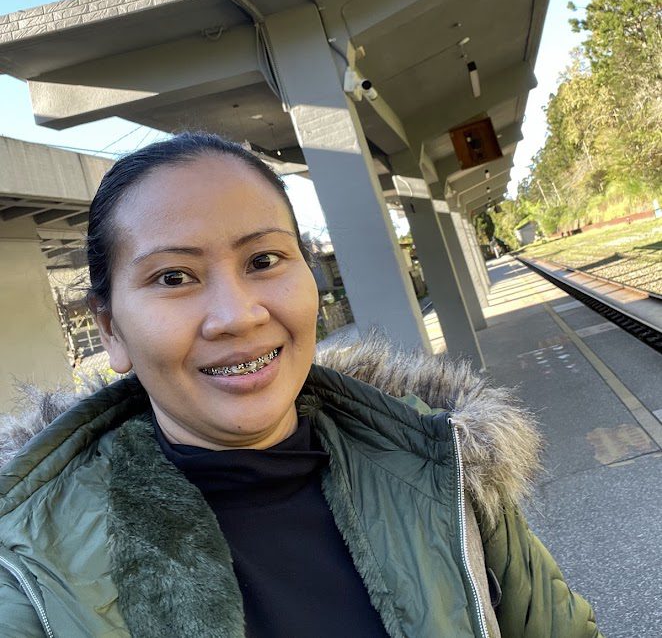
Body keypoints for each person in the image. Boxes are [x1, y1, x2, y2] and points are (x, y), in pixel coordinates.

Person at [0, 132, 603, 638]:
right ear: (111, 330)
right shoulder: (28, 566)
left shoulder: (442, 460)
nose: (237, 316)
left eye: (263, 261)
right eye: (174, 276)